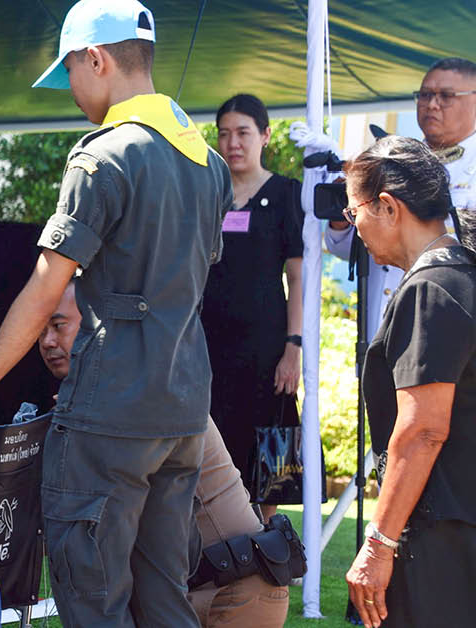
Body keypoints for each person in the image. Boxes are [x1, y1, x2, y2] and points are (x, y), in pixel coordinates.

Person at [0, 1, 233, 624]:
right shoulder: (209, 164)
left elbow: (41, 289)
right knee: (167, 598)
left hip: (111, 413)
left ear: (96, 58)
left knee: (92, 603)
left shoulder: (103, 157)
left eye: (71, 75)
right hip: (184, 408)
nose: (73, 92)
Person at [39, 280, 289, 627]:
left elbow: (107, 513)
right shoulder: (116, 387)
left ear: (96, 325)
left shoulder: (135, 391)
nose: (48, 342)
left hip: (233, 592)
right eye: (41, 330)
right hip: (197, 587)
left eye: (58, 325)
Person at [343, 137, 476, 627]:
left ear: (387, 206)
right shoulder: (459, 276)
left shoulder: (432, 288)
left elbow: (423, 431)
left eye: (353, 210)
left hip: (444, 537)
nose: (352, 225)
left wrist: (378, 544)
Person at [202, 94, 304, 521]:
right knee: (213, 439)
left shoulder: (286, 194)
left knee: (269, 439)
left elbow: (298, 276)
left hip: (266, 346)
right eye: (224, 134)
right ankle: (214, 536)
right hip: (209, 344)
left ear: (264, 136)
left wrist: (293, 347)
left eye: (243, 133)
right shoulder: (209, 193)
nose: (232, 143)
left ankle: (265, 537)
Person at [324, 57, 476, 337]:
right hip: (385, 317)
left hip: (453, 325)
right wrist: (344, 218)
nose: (432, 104)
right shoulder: (390, 158)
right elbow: (357, 252)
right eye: (425, 95)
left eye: (446, 96)